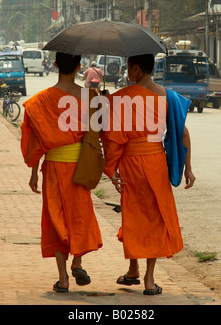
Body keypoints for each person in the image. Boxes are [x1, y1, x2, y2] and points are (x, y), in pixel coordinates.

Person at [102, 54, 196, 295]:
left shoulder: (120, 98)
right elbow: (183, 134)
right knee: (154, 219)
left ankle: (133, 267)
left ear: (135, 69)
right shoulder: (168, 97)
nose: (126, 72)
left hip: (130, 164)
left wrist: (110, 170)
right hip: (156, 163)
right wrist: (188, 168)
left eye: (128, 68)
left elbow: (112, 139)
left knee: (133, 216)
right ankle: (147, 279)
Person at [20, 52, 103, 293]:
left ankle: (63, 278)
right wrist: (100, 102)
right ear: (79, 67)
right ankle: (77, 261)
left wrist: (34, 173)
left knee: (55, 217)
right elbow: (99, 133)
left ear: (55, 64)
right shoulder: (90, 97)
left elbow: (36, 141)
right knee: (80, 215)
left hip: (55, 167)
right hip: (81, 167)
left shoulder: (40, 101)